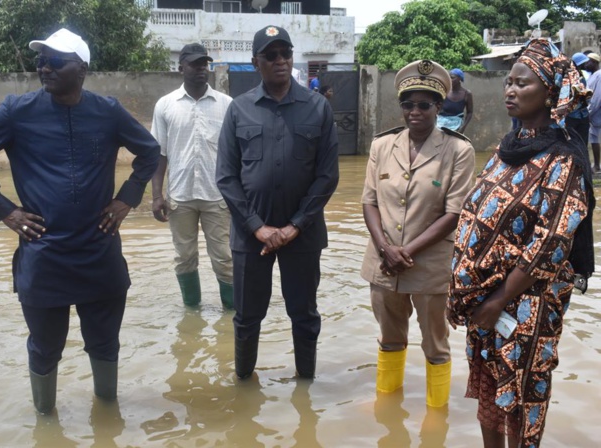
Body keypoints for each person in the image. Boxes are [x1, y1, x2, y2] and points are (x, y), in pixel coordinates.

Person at [0, 28, 160, 414]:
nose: (44, 67)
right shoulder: (18, 111)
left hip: (99, 248)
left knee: (104, 343)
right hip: (43, 252)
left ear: (81, 69)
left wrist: (126, 200)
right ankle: (45, 423)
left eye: (54, 61)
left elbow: (149, 152)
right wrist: (6, 211)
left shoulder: (108, 111)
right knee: (45, 347)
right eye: (41, 60)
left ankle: (107, 417)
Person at [447, 39, 595, 448]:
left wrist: (498, 301)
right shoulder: (505, 150)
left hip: (527, 303)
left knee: (524, 390)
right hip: (485, 299)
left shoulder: (563, 160)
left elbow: (551, 243)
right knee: (491, 389)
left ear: (550, 93)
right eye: (508, 82)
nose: (510, 90)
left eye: (522, 84)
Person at [216, 25, 339, 380]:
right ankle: (243, 387)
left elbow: (327, 176)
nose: (280, 61)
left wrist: (294, 226)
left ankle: (306, 389)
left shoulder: (318, 108)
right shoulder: (239, 110)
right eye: (271, 55)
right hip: (249, 236)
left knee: (304, 315)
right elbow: (226, 176)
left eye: (285, 53)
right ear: (257, 62)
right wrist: (257, 227)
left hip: (303, 234)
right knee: (246, 317)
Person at [361, 59, 476, 407]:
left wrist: (405, 251)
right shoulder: (382, 146)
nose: (414, 111)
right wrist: (386, 249)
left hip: (429, 267)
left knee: (435, 345)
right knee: (389, 338)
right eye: (407, 104)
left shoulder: (459, 150)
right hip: (384, 264)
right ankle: (387, 407)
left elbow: (454, 214)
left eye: (424, 104)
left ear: (439, 107)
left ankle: (435, 417)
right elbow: (369, 202)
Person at [150, 43, 234, 309]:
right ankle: (192, 312)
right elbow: (159, 154)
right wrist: (156, 196)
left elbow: (237, 155)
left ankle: (231, 315)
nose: (201, 69)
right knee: (184, 257)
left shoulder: (226, 105)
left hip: (217, 196)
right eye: (195, 64)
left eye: (204, 64)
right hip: (180, 197)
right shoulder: (165, 106)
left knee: (225, 258)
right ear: (180, 67)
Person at [436, 68, 473, 133]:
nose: (450, 80)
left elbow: (470, 112)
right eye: (449, 77)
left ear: (460, 79)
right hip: (440, 124)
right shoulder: (445, 91)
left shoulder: (467, 94)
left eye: (452, 77)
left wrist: (463, 128)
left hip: (456, 125)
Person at [568, 53, 591, 146]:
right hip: (572, 115)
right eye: (583, 63)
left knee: (583, 142)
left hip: (583, 114)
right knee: (572, 143)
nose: (585, 65)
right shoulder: (568, 76)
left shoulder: (581, 75)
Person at [587, 52, 601, 171]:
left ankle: (597, 165)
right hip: (593, 111)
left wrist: (590, 111)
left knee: (595, 138)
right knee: (593, 138)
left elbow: (597, 97)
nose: (587, 64)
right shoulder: (592, 75)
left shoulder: (599, 75)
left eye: (589, 61)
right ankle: (596, 164)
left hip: (596, 111)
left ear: (595, 62)